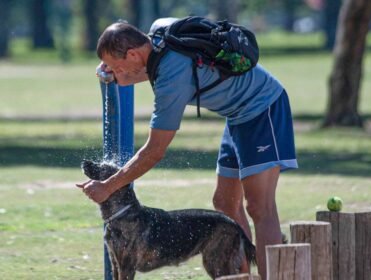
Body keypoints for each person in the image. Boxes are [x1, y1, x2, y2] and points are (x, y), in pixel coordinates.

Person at [76, 19, 298, 279]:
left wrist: (109, 185)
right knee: (225, 202)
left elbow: (154, 151)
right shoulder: (158, 36)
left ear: (133, 53)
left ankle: (278, 276)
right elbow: (146, 70)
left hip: (262, 108)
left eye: (115, 66)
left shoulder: (171, 79)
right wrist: (120, 73)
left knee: (260, 208)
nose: (112, 71)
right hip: (237, 115)